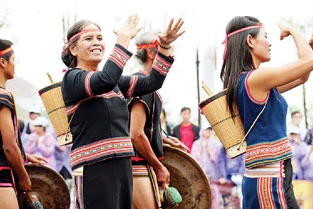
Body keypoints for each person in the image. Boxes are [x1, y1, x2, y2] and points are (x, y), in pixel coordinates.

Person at [61, 15, 178, 209]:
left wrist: (164, 47)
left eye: (99, 38)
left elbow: (152, 82)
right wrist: (123, 39)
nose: (96, 43)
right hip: (94, 168)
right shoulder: (73, 78)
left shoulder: (115, 84)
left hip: (122, 166)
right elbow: (105, 79)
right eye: (88, 39)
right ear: (73, 49)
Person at [220, 14, 313, 208]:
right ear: (250, 41)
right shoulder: (256, 79)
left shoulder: (252, 81)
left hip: (270, 174)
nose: (270, 43)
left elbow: (302, 77)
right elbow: (310, 62)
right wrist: (293, 30)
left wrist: (311, 45)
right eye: (266, 36)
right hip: (268, 178)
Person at [128, 28, 187, 209]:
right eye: (166, 50)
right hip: (135, 165)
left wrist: (164, 140)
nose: (170, 56)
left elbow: (142, 128)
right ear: (153, 52)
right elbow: (135, 134)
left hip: (138, 165)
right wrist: (159, 167)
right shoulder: (142, 85)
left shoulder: (144, 85)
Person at [0, 39, 46, 209]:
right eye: (14, 60)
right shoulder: (3, 96)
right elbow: (8, 146)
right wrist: (23, 177)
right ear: (3, 62)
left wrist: (24, 156)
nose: (15, 65)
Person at [191, 127, 224, 209]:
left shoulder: (216, 144)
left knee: (214, 195)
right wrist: (202, 149)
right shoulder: (196, 143)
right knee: (200, 194)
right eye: (206, 130)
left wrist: (209, 150)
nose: (208, 132)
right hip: (200, 175)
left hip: (213, 176)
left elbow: (218, 159)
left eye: (209, 130)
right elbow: (193, 158)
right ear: (202, 131)